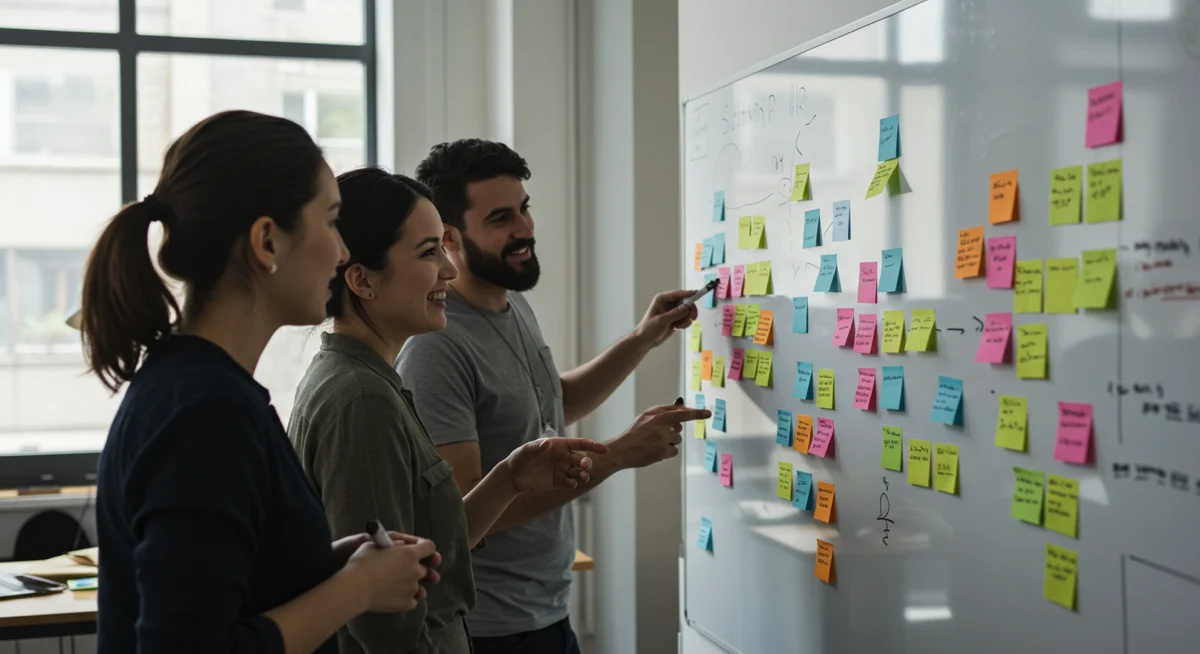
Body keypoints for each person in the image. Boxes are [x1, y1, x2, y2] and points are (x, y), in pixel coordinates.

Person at [83, 110, 439, 654]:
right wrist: (357, 587)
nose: (342, 252)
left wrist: (338, 562)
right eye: (330, 221)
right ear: (268, 242)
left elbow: (228, 587)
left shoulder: (204, 389)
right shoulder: (206, 415)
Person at [396, 138, 711, 654]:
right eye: (500, 218)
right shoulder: (436, 346)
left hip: (546, 608)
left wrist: (643, 338)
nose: (524, 230)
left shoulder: (510, 301)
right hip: (492, 628)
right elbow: (466, 509)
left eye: (524, 209)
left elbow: (552, 401)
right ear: (449, 237)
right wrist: (619, 455)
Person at [287, 167, 608, 653]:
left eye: (442, 246)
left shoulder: (374, 380)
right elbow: (386, 622)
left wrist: (509, 478)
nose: (449, 269)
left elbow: (429, 553)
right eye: (427, 252)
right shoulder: (361, 400)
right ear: (362, 280)